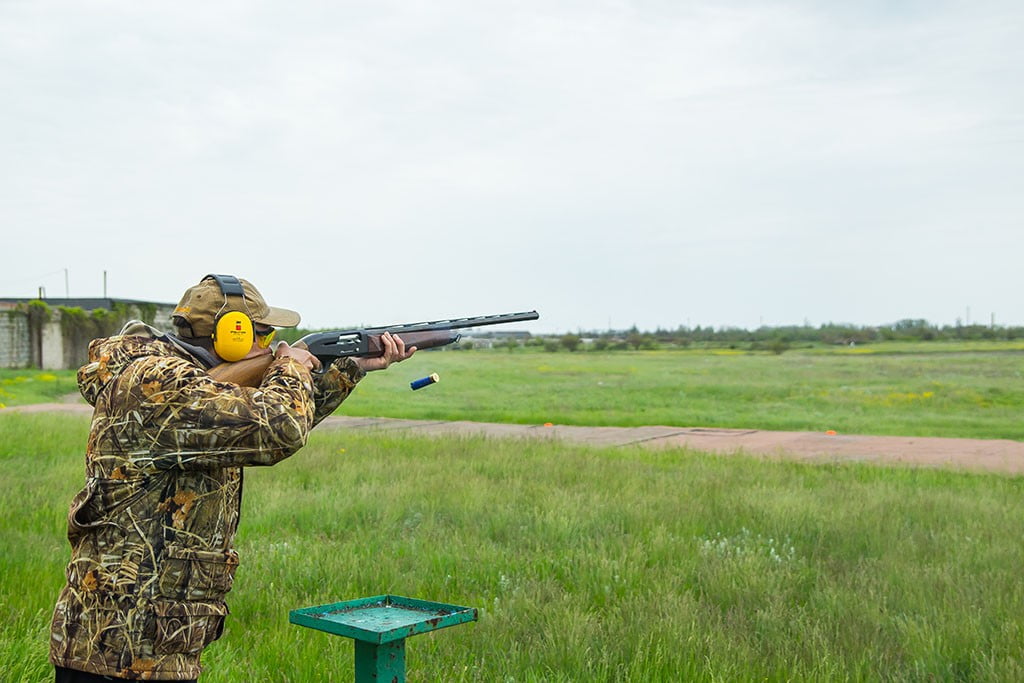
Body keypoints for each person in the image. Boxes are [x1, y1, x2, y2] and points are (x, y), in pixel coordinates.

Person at [49, 275, 414, 682]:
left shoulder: (189, 384)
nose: (272, 346)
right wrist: (292, 364)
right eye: (265, 334)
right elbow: (279, 426)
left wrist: (348, 368)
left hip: (148, 643)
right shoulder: (158, 384)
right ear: (232, 334)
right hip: (119, 650)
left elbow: (254, 423)